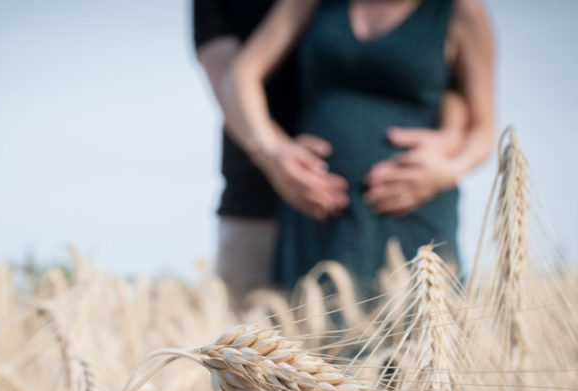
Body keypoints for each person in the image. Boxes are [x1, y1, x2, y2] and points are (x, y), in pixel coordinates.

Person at [210, 0, 494, 292]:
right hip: (316, 214)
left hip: (415, 211)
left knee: (419, 326)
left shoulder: (460, 9)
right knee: (308, 330)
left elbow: (483, 129)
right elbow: (242, 74)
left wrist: (447, 170)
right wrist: (273, 150)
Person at [193, 1, 300, 303]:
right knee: (243, 334)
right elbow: (230, 78)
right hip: (252, 201)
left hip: (355, 208)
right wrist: (275, 153)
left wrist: (446, 159)